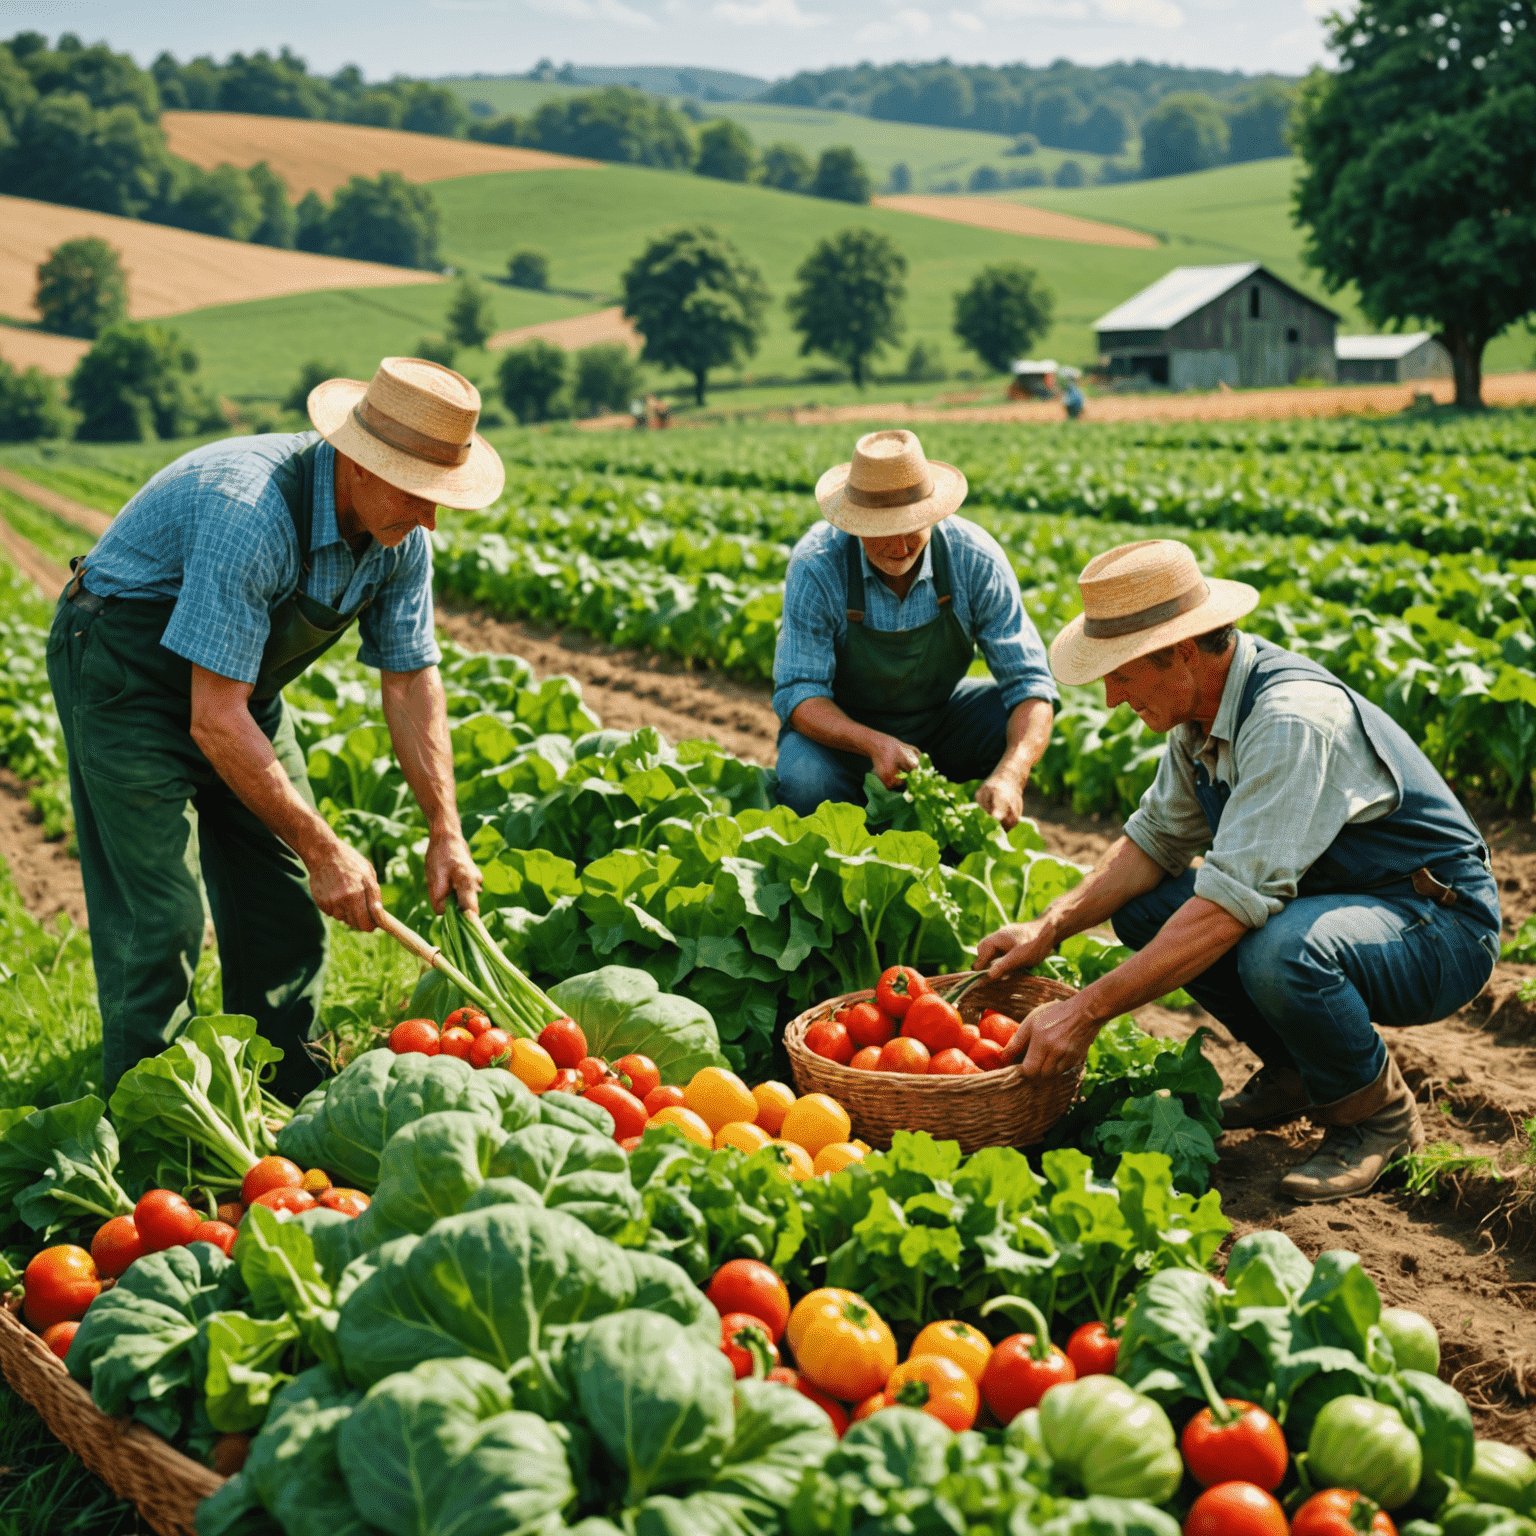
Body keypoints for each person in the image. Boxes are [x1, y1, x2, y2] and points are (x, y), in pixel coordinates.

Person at [975, 538, 1500, 1201]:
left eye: (1122, 674)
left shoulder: (1288, 720)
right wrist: (1050, 927)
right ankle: (1298, 1070)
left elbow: (1228, 909)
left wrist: (1084, 1011)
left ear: (1183, 654)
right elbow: (1154, 841)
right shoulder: (1196, 717)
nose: (1110, 698)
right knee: (1145, 907)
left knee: (1279, 952)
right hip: (1347, 907)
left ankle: (1380, 1120)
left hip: (1436, 927)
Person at [46, 357, 504, 1104]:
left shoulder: (399, 539)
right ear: (358, 462)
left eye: (439, 498)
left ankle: (285, 1089)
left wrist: (444, 830)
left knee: (286, 898)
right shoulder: (250, 510)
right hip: (123, 670)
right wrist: (326, 847)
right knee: (159, 910)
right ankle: (155, 1117)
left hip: (237, 684)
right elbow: (212, 719)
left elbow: (411, 678)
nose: (429, 519)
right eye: (419, 493)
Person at [772, 428, 1057, 828]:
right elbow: (799, 692)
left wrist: (1012, 774)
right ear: (855, 523)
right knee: (807, 783)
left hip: (939, 721)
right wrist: (874, 743)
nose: (901, 546)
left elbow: (1032, 684)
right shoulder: (818, 565)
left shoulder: (973, 558)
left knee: (1015, 725)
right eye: (882, 531)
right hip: (842, 735)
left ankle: (971, 826)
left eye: (912, 527)